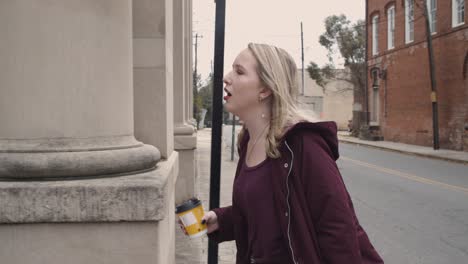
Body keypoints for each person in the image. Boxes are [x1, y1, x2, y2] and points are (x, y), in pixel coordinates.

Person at [200, 43, 384, 264]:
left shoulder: (302, 143)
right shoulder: (247, 140)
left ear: (265, 90)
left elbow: (338, 228)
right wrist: (221, 220)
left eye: (239, 71)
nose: (227, 78)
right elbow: (264, 210)